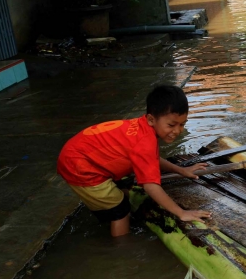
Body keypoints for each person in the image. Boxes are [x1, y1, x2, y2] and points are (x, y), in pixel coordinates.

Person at [57, 85, 211, 237]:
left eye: (182, 124)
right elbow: (151, 186)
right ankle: (122, 249)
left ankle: (108, 216)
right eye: (171, 125)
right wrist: (181, 212)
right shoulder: (145, 142)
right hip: (80, 168)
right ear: (151, 119)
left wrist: (181, 170)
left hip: (77, 156)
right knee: (120, 209)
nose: (177, 131)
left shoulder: (142, 127)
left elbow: (151, 159)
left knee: (122, 193)